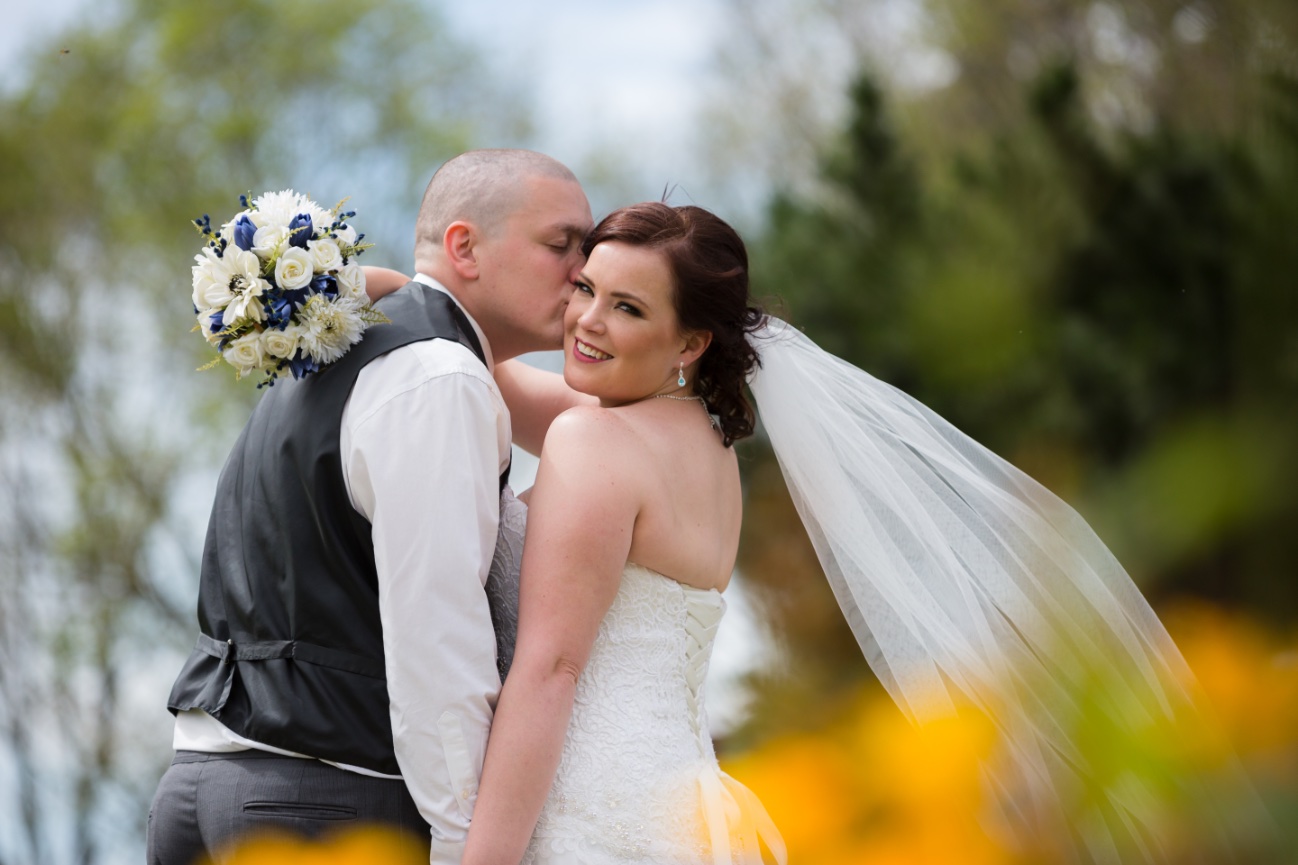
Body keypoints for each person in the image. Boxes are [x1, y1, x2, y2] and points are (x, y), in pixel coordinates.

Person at [449, 201, 1257, 864]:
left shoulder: (596, 441)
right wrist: (382, 288)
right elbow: (497, 376)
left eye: (625, 307)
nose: (584, 322)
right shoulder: (703, 447)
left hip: (586, 807)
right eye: (585, 287)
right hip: (685, 815)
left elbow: (552, 669)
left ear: (691, 342)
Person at [146, 149, 593, 865]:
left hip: (202, 785)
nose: (582, 271)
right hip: (323, 805)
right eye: (560, 244)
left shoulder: (345, 345)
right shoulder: (439, 376)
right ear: (464, 247)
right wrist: (462, 843)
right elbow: (437, 636)